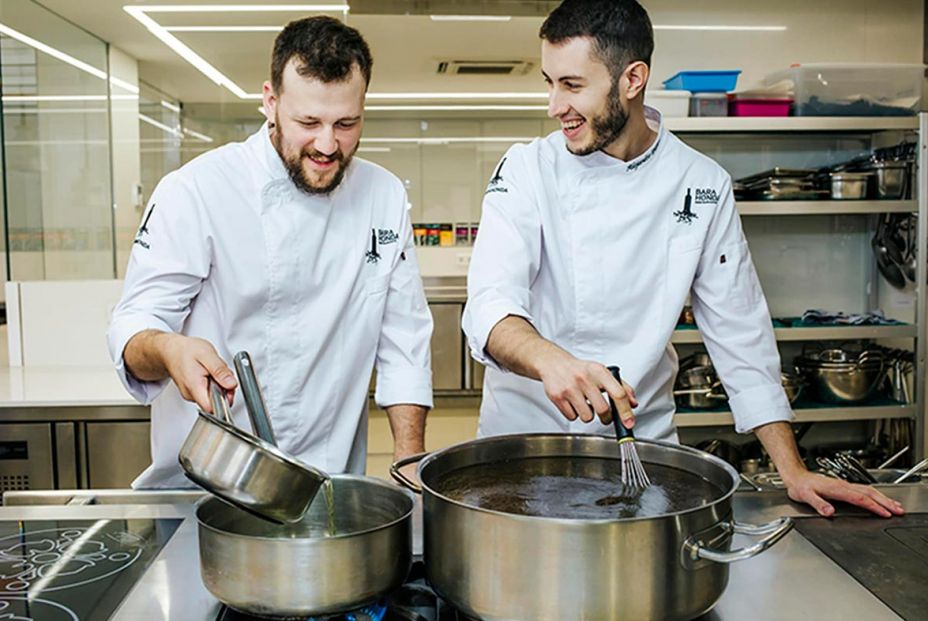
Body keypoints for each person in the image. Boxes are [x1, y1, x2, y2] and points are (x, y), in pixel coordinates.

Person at [462, 0, 903, 518]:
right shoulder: (526, 169)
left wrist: (793, 469)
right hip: (522, 445)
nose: (555, 105)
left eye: (573, 85)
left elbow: (740, 331)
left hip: (640, 448)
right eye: (550, 82)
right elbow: (491, 302)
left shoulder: (700, 184)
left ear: (632, 79)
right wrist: (552, 361)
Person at [107, 16, 432, 488]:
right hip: (203, 492)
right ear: (270, 101)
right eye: (308, 122)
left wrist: (409, 468)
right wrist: (169, 347)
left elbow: (403, 344)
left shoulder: (382, 196)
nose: (327, 144)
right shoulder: (196, 191)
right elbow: (134, 327)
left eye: (346, 123)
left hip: (329, 489)